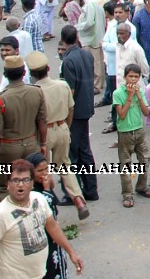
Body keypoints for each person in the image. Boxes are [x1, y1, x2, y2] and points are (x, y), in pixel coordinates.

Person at [0, 158, 83, 279]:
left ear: (32, 183)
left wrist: (71, 253)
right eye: (15, 180)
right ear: (8, 184)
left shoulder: (39, 199)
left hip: (41, 274)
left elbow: (53, 227)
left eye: (26, 179)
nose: (20, 184)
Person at [28, 51, 89, 220]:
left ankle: (47, 203)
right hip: (62, 127)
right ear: (48, 68)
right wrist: (66, 128)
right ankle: (78, 200)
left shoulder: (34, 91)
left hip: (44, 133)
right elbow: (71, 109)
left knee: (42, 169)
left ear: (32, 73)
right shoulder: (62, 85)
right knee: (64, 166)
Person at [0, 54, 48, 204]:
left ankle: (10, 212)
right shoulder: (37, 92)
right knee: (30, 181)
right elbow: (42, 121)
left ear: (5, 74)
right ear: (24, 73)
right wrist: (43, 144)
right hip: (32, 144)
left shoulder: (0, 99)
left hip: (8, 147)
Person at [58, 25, 98, 202]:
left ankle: (73, 193)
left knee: (72, 154)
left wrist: (63, 114)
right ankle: (90, 189)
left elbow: (70, 91)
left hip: (74, 111)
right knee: (84, 150)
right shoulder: (86, 54)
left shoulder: (68, 61)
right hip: (86, 107)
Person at [113, 63, 150, 207]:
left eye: (136, 77)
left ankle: (142, 186)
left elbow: (146, 112)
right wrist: (130, 97)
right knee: (125, 163)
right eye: (130, 76)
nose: (132, 79)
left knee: (145, 159)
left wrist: (137, 94)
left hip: (139, 130)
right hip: (125, 132)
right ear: (125, 77)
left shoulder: (140, 91)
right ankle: (127, 193)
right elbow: (122, 114)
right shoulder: (118, 93)